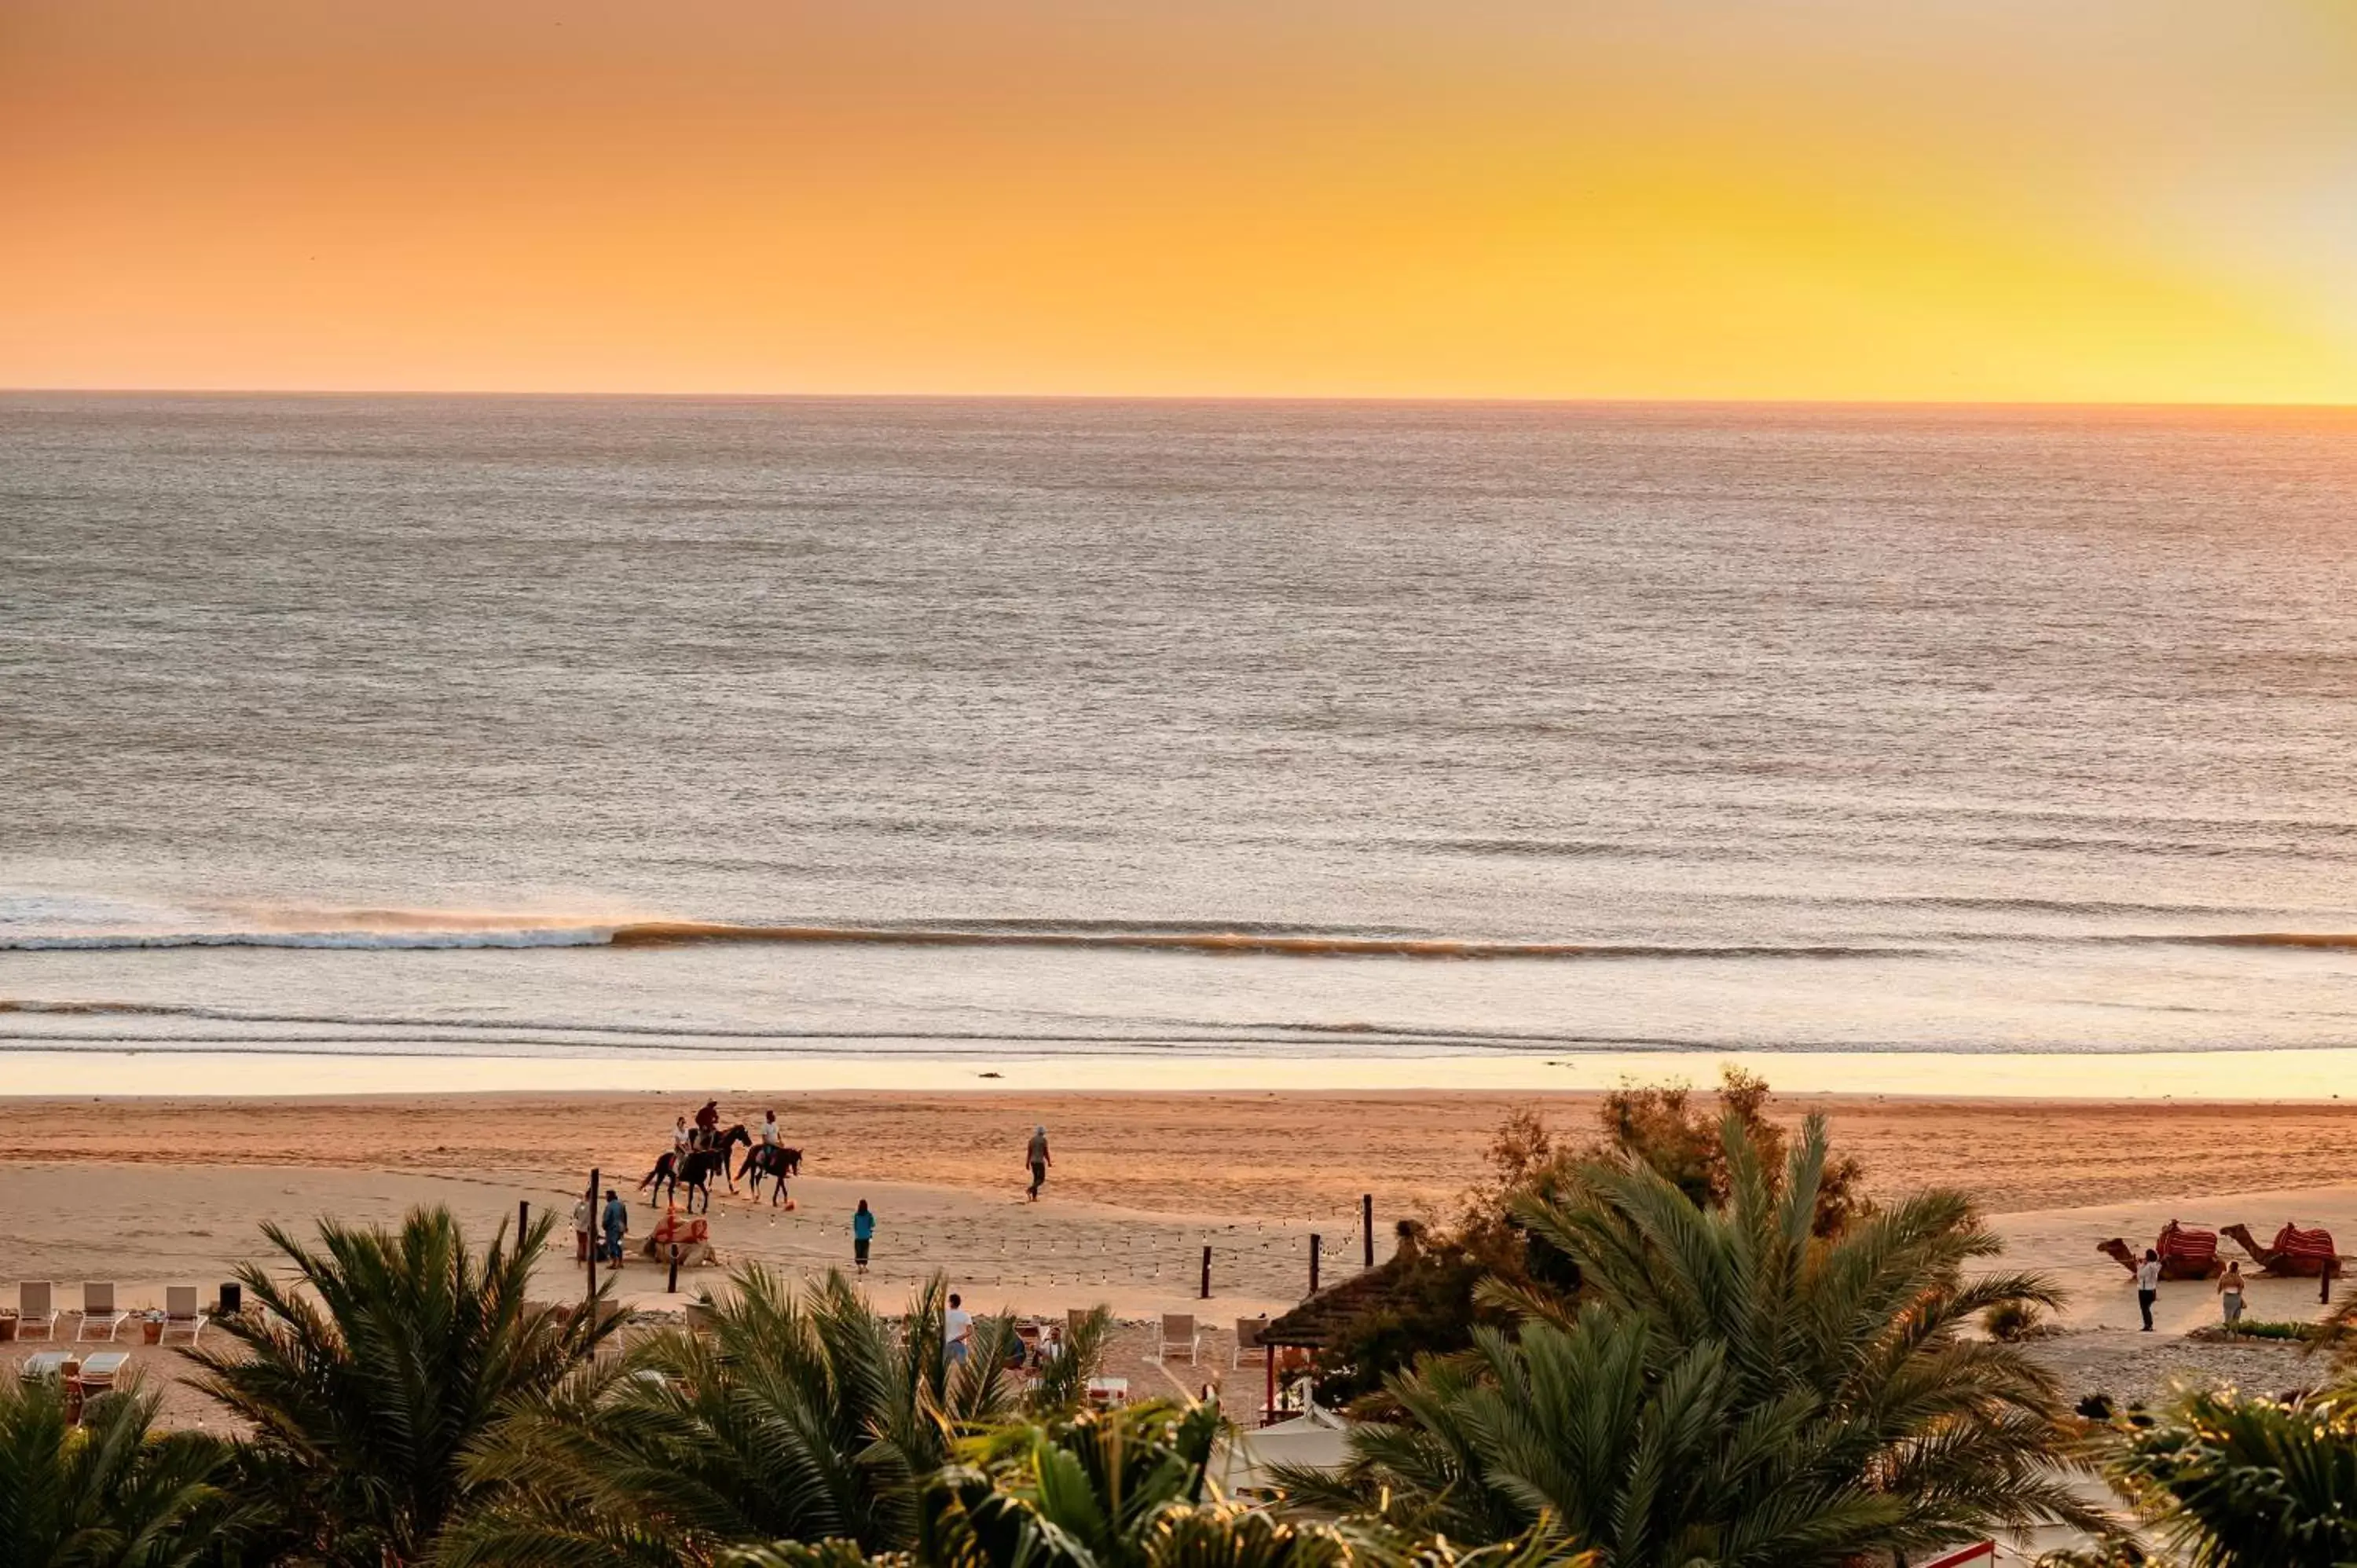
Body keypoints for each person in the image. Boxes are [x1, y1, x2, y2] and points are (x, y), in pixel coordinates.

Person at [602, 1188, 630, 1267]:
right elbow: (625, 1216)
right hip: (621, 1228)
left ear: (609, 1196)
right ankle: (620, 1262)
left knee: (612, 1244)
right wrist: (625, 1226)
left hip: (612, 1229)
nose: (606, 1198)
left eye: (606, 1196)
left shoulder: (609, 1206)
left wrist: (604, 1226)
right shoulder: (621, 1204)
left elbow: (607, 1218)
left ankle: (614, 1262)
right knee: (619, 1244)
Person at [2136, 1247, 2161, 1332]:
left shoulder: (2149, 1266)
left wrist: (2141, 1265)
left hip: (2145, 1290)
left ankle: (2148, 1326)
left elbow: (2140, 1275)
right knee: (2146, 1309)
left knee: (2144, 1309)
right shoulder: (2155, 1265)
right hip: (2152, 1290)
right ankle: (2148, 1325)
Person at [1025, 1124, 1051, 1202]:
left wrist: (1027, 1162)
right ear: (1043, 1133)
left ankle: (1034, 1197)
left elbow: (1029, 1152)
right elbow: (1045, 1152)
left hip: (1033, 1162)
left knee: (1035, 1179)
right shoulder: (1044, 1140)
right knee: (1041, 1179)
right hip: (1040, 1161)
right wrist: (1049, 1161)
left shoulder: (1032, 1140)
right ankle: (1030, 1189)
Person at [2217, 1261, 2247, 1325]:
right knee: (2236, 1316)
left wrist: (2219, 1291)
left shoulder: (2224, 1276)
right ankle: (2235, 1330)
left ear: (2230, 1267)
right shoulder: (2239, 1277)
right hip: (2237, 1297)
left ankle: (2227, 1330)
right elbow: (2242, 1286)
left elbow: (2220, 1285)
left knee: (2228, 1314)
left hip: (2228, 1297)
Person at [944, 1291, 971, 1362]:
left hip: (947, 1344)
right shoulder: (966, 1315)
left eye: (949, 1301)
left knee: (946, 1369)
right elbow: (969, 1332)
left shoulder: (945, 1314)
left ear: (951, 1302)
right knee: (961, 1369)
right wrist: (957, 1339)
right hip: (960, 1344)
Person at [852, 1199, 874, 1274]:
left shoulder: (856, 1215)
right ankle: (864, 1267)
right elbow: (873, 1224)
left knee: (858, 1252)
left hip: (858, 1236)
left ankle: (859, 1268)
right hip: (866, 1236)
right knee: (865, 1252)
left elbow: (854, 1226)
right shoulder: (869, 1215)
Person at [572, 1193, 593, 1264]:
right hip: (586, 1228)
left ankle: (580, 1261)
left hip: (579, 1227)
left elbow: (575, 1215)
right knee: (585, 1244)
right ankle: (583, 1261)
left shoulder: (578, 1205)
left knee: (580, 1244)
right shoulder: (590, 1206)